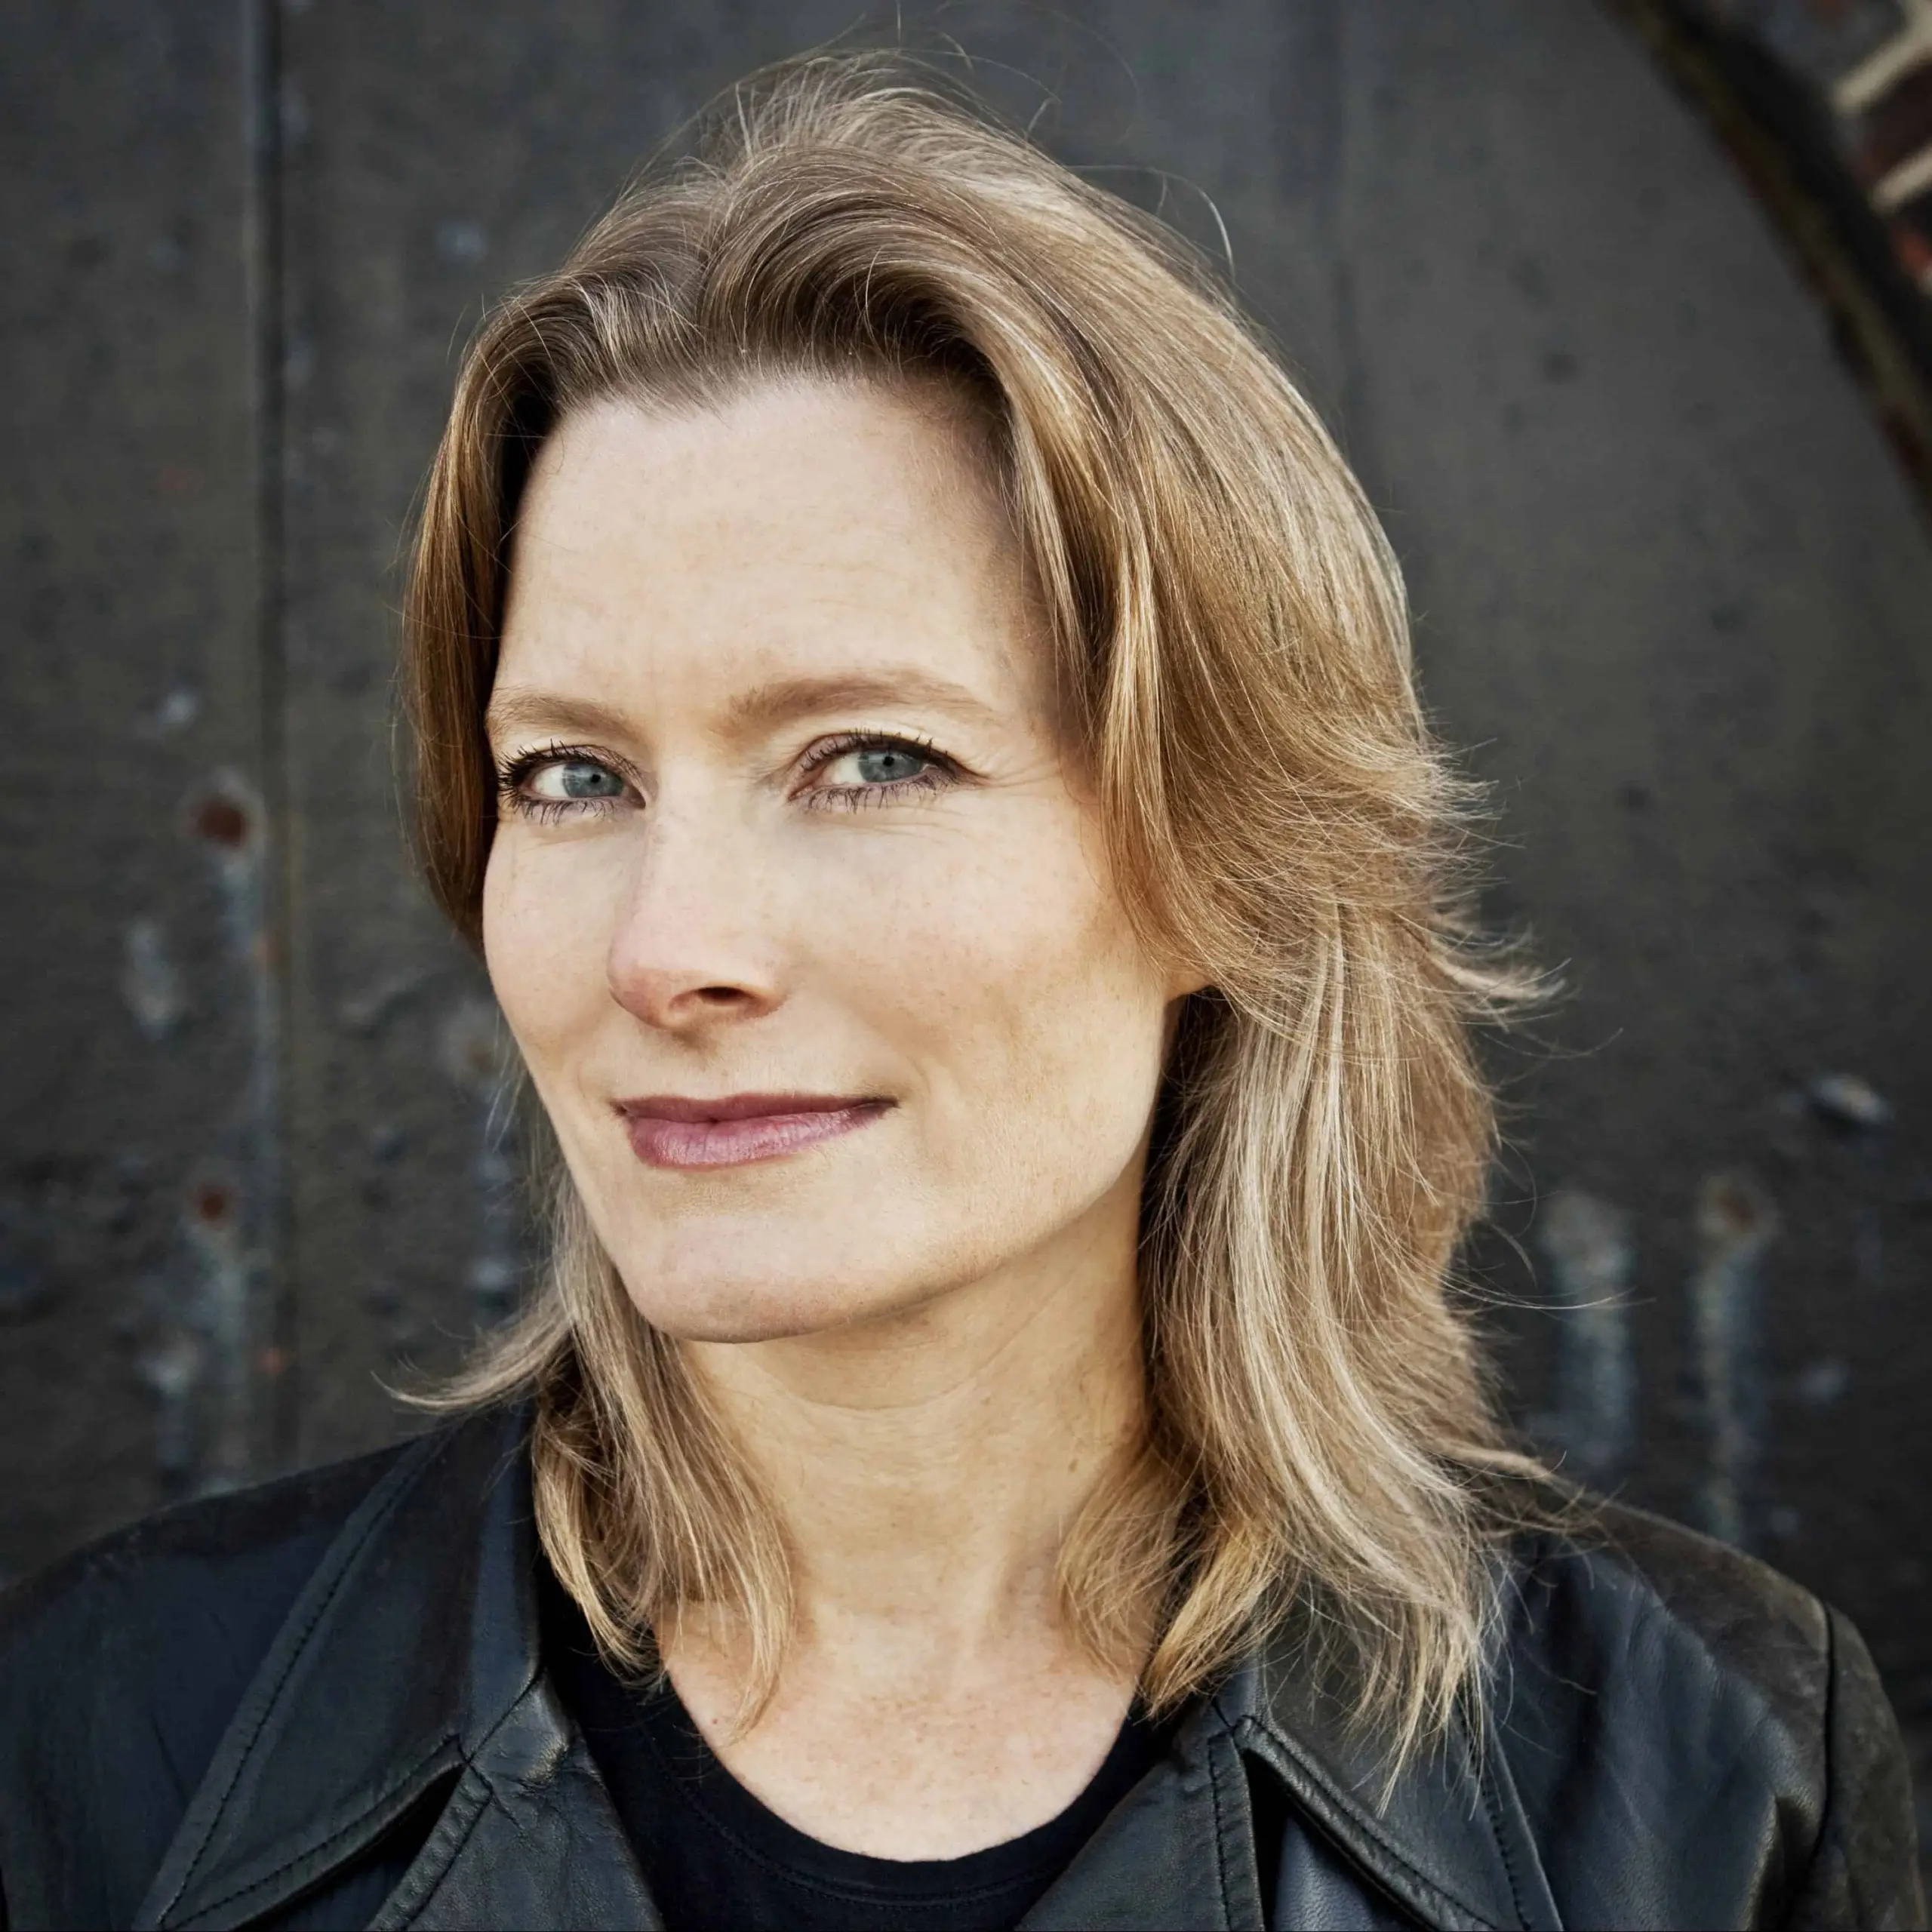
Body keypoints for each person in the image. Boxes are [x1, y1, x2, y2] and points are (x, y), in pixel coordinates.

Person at [1, 55, 1919, 1932]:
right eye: (572, 775)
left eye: (869, 759)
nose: (666, 951)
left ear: (1223, 866)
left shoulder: (1700, 1776)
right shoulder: (118, 1737)